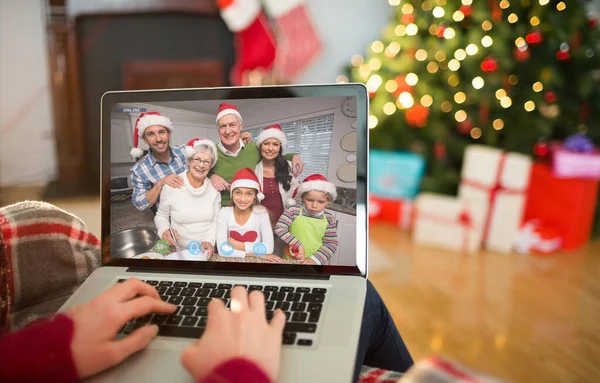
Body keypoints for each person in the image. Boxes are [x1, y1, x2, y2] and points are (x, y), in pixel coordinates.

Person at [208, 103, 305, 207]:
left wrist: (292, 156)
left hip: (250, 211)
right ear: (218, 130)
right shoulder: (211, 153)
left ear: (240, 126)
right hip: (221, 212)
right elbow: (196, 171)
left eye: (232, 125)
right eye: (223, 126)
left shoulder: (253, 148)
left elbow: (271, 155)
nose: (227, 131)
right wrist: (211, 176)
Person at [154, 138, 221, 256]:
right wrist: (164, 230)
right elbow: (161, 216)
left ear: (211, 166)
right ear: (189, 161)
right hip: (179, 249)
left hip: (205, 249)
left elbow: (216, 221)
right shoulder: (172, 185)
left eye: (206, 162)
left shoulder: (214, 190)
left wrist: (209, 241)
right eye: (197, 159)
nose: (201, 165)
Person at [216, 168, 283, 263]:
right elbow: (222, 250)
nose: (243, 199)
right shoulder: (225, 213)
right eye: (238, 193)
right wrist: (255, 253)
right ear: (232, 194)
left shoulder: (261, 213)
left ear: (255, 196)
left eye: (249, 194)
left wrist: (238, 245)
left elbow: (268, 248)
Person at [274, 174, 339, 265]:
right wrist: (297, 244)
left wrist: (314, 260)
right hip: (290, 260)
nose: (314, 206)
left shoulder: (329, 219)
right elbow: (279, 228)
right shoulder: (293, 211)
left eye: (321, 202)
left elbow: (331, 244)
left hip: (315, 263)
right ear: (303, 198)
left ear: (328, 201)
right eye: (310, 200)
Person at [129, 112, 186, 213]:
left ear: (169, 134)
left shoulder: (185, 151)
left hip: (195, 210)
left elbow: (208, 162)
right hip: (168, 218)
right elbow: (139, 204)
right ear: (145, 140)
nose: (158, 139)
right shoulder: (139, 170)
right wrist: (160, 183)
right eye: (151, 134)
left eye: (162, 132)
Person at [254, 124, 300, 227]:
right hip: (259, 223)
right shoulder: (254, 168)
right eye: (266, 143)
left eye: (275, 144)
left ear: (280, 147)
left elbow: (296, 195)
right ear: (260, 146)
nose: (270, 148)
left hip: (284, 223)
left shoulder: (289, 167)